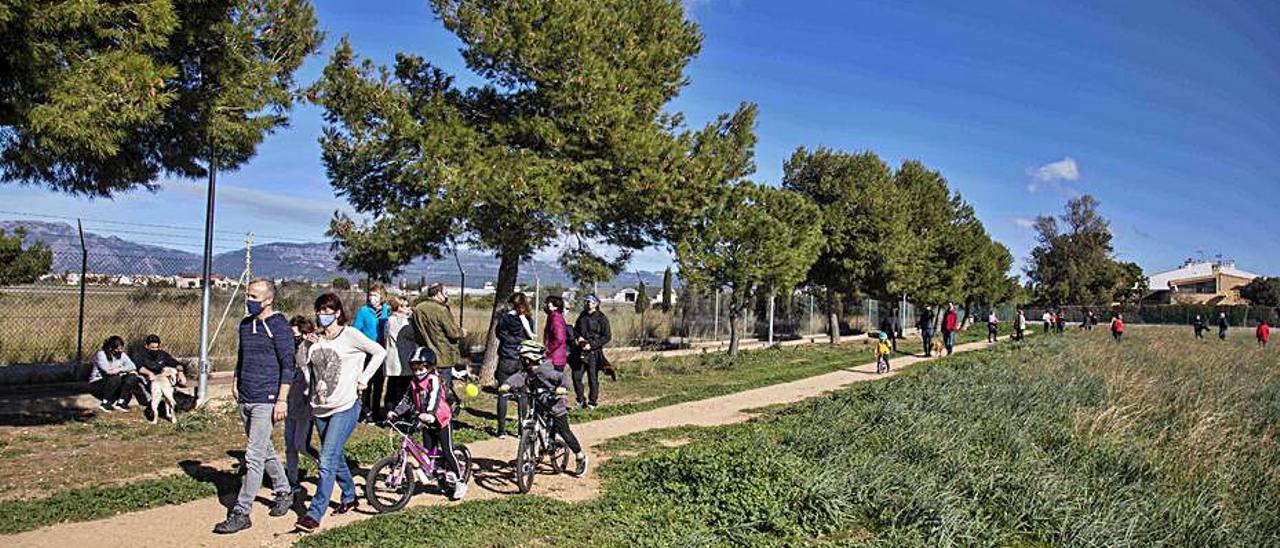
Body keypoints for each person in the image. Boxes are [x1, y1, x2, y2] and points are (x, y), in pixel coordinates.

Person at [295, 292, 386, 532]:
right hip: (320, 407)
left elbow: (379, 352)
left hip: (345, 406)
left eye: (327, 311)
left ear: (337, 313)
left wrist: (364, 378)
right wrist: (306, 343)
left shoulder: (350, 335)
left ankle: (314, 513)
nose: (322, 316)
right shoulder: (317, 339)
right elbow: (302, 363)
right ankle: (349, 495)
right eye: (319, 311)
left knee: (326, 458)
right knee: (335, 455)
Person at [214, 279, 296, 535]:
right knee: (264, 449)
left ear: (268, 300)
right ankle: (284, 490)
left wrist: (282, 399)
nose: (248, 300)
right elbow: (242, 355)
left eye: (253, 296)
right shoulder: (245, 325)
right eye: (247, 294)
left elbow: (288, 365)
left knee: (253, 456)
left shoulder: (279, 326)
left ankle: (242, 511)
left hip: (267, 398)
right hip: (246, 396)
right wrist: (236, 381)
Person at [387, 346, 468, 500]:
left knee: (447, 450)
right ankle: (435, 470)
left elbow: (434, 398)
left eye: (421, 368)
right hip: (425, 421)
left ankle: (460, 481)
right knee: (429, 451)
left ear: (430, 367)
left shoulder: (434, 380)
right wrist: (396, 412)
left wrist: (430, 414)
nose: (418, 372)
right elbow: (407, 400)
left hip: (440, 420)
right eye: (415, 369)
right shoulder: (413, 383)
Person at [500, 340, 588, 477]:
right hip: (539, 403)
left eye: (523, 358)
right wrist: (507, 385)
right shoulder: (528, 371)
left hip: (555, 405)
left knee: (564, 431)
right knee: (533, 426)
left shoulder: (545, 371)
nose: (521, 361)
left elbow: (562, 376)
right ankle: (531, 454)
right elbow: (518, 377)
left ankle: (580, 456)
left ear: (530, 359)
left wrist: (562, 387)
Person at [412, 283, 466, 412]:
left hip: (425, 354)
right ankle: (440, 416)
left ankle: (423, 412)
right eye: (445, 292)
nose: (447, 295)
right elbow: (453, 333)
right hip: (443, 356)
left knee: (424, 387)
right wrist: (462, 332)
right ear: (438, 293)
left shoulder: (418, 308)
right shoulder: (441, 310)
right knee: (441, 389)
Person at [284, 316, 320, 500]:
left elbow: (309, 370)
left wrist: (307, 345)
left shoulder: (312, 349)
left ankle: (324, 466)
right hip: (290, 402)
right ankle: (292, 480)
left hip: (306, 404)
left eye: (297, 336)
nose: (294, 340)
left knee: (301, 444)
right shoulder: (289, 350)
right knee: (290, 445)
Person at [495, 292, 534, 438]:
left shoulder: (506, 318)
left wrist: (509, 341)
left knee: (503, 393)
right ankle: (521, 429)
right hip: (522, 360)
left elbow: (499, 333)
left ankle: (501, 430)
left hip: (506, 358)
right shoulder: (528, 319)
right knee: (522, 394)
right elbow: (531, 336)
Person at [353, 286, 391, 421]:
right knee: (366, 381)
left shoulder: (388, 310)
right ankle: (365, 410)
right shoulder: (363, 311)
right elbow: (356, 330)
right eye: (370, 295)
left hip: (382, 350)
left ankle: (376, 410)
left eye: (376, 295)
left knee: (379, 382)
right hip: (367, 351)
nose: (372, 297)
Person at [572, 294, 612, 409]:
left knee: (592, 378)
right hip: (581, 351)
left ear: (597, 304)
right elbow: (576, 330)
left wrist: (592, 345)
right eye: (587, 302)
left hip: (594, 353)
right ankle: (580, 400)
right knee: (576, 376)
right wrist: (578, 337)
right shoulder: (582, 316)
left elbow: (607, 336)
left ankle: (592, 402)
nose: (589, 304)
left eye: (592, 302)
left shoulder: (601, 318)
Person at [134, 334, 184, 424]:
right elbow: (139, 367)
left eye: (156, 347)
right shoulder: (140, 353)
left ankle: (171, 413)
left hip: (162, 377)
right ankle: (155, 416)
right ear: (146, 346)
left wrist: (180, 372)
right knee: (155, 399)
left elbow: (176, 363)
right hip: (148, 378)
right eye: (152, 347)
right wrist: (149, 373)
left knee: (176, 388)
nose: (155, 350)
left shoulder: (162, 354)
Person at [382, 297, 417, 420]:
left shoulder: (391, 320)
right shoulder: (396, 320)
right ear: (398, 307)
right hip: (399, 359)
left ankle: (392, 411)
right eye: (405, 306)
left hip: (395, 359)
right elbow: (410, 334)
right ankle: (398, 413)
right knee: (401, 388)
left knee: (393, 386)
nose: (408, 308)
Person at [89, 335, 141, 413]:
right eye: (118, 349)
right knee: (115, 377)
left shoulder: (122, 355)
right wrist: (121, 370)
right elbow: (108, 371)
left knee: (132, 376)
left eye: (121, 348)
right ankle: (105, 403)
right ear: (111, 348)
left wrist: (120, 369)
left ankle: (120, 403)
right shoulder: (101, 354)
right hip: (98, 383)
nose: (120, 350)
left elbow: (132, 366)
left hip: (114, 381)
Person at [543, 295, 570, 370]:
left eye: (548, 303)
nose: (546, 305)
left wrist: (549, 349)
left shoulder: (556, 318)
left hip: (555, 358)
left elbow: (559, 338)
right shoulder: (552, 316)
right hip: (554, 357)